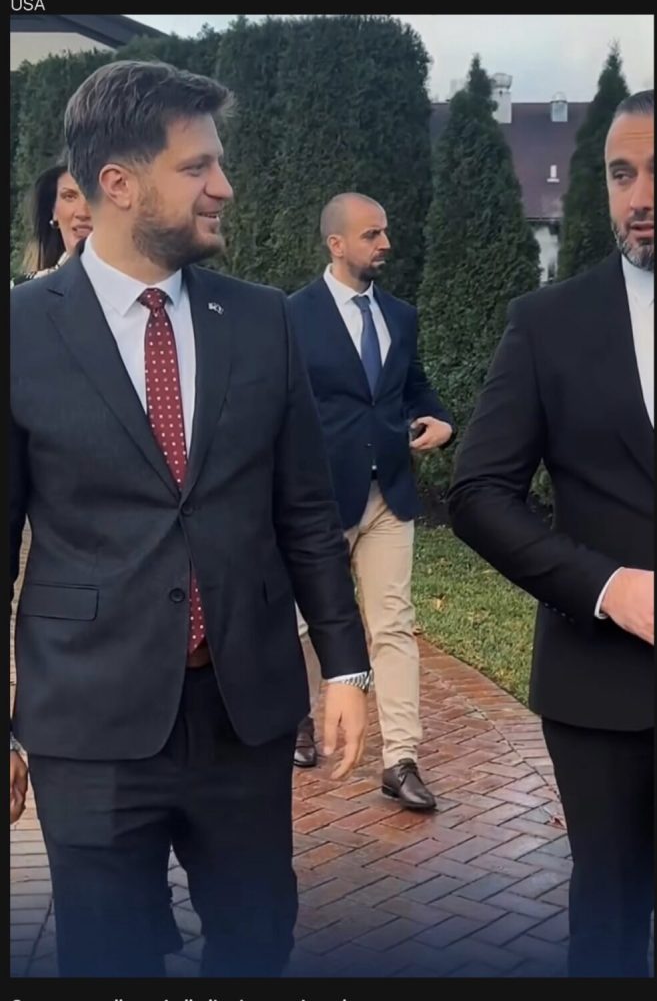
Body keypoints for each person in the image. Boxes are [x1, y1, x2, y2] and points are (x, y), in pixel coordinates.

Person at [9, 59, 371, 979]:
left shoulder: (260, 321)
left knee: (258, 939)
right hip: (87, 721)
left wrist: (345, 666)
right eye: (197, 166)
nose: (224, 186)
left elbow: (304, 510)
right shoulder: (21, 331)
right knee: (107, 957)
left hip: (241, 711)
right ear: (119, 183)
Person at [447, 90, 654, 978]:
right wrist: (607, 587)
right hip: (600, 689)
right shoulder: (549, 323)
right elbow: (478, 493)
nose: (639, 195)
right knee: (606, 924)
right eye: (621, 174)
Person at [288, 193, 455, 810]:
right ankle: (299, 720)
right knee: (300, 621)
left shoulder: (400, 316)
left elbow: (414, 387)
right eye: (371, 235)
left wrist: (439, 419)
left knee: (394, 625)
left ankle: (400, 759)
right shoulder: (292, 315)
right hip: (319, 499)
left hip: (390, 494)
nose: (385, 244)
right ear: (336, 244)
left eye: (384, 232)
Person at [11, 159, 92, 285]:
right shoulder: (19, 293)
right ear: (53, 210)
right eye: (69, 196)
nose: (83, 213)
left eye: (93, 197)